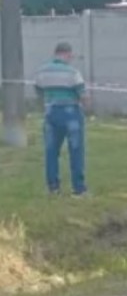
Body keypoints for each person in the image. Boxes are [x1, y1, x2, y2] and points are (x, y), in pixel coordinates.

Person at [34, 42, 88, 197]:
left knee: (51, 152)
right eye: (70, 55)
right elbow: (82, 94)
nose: (71, 58)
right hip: (71, 113)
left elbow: (38, 90)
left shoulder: (42, 71)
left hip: (51, 113)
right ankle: (78, 189)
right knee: (76, 151)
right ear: (66, 54)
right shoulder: (73, 72)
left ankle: (53, 188)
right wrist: (86, 104)